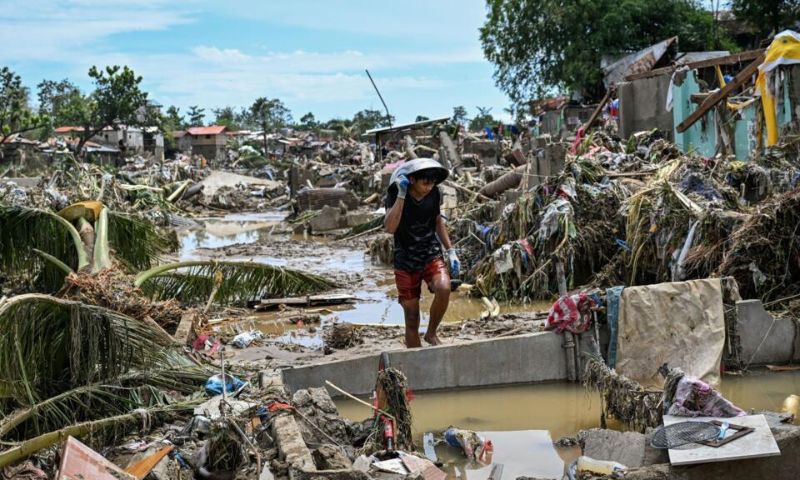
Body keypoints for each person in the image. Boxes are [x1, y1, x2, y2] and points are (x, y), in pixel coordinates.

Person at [384, 159, 459, 347]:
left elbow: (437, 222)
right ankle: (415, 357)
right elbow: (390, 228)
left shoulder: (434, 193)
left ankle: (431, 333)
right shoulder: (395, 193)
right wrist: (402, 195)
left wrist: (450, 250)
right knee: (411, 317)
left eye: (432, 183)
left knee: (444, 287)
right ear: (412, 180)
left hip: (429, 251)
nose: (429, 187)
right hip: (405, 257)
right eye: (425, 183)